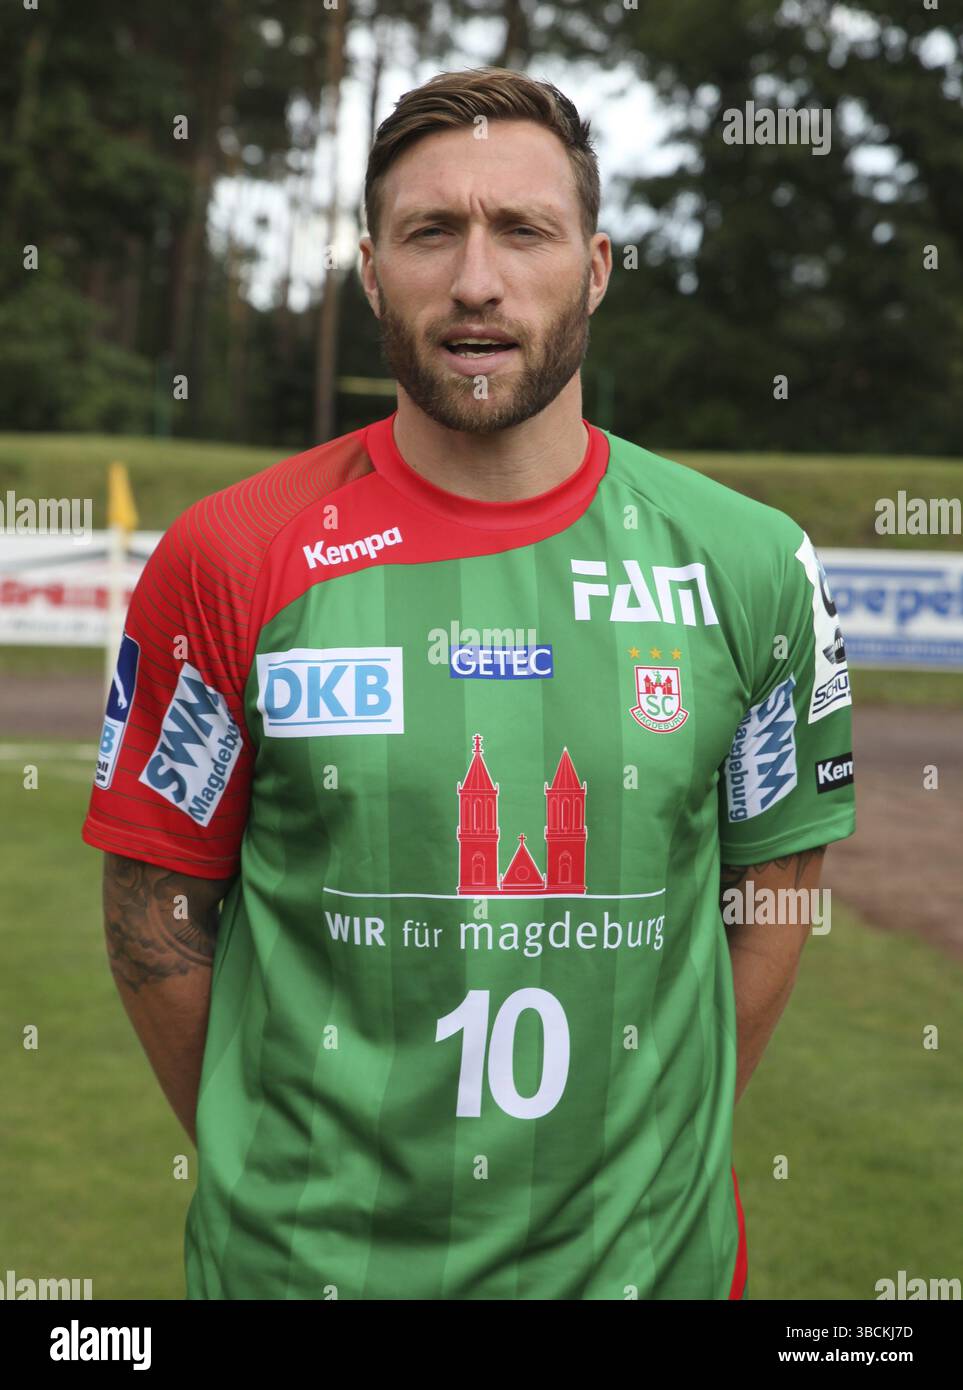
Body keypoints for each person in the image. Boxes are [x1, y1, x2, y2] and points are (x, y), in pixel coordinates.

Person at [82, 65, 855, 1300]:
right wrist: (281, 1167)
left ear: (595, 266)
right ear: (374, 269)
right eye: (431, 231)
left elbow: (780, 884)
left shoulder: (751, 565)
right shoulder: (228, 557)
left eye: (524, 230)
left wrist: (646, 1155)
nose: (477, 278)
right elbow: (152, 914)